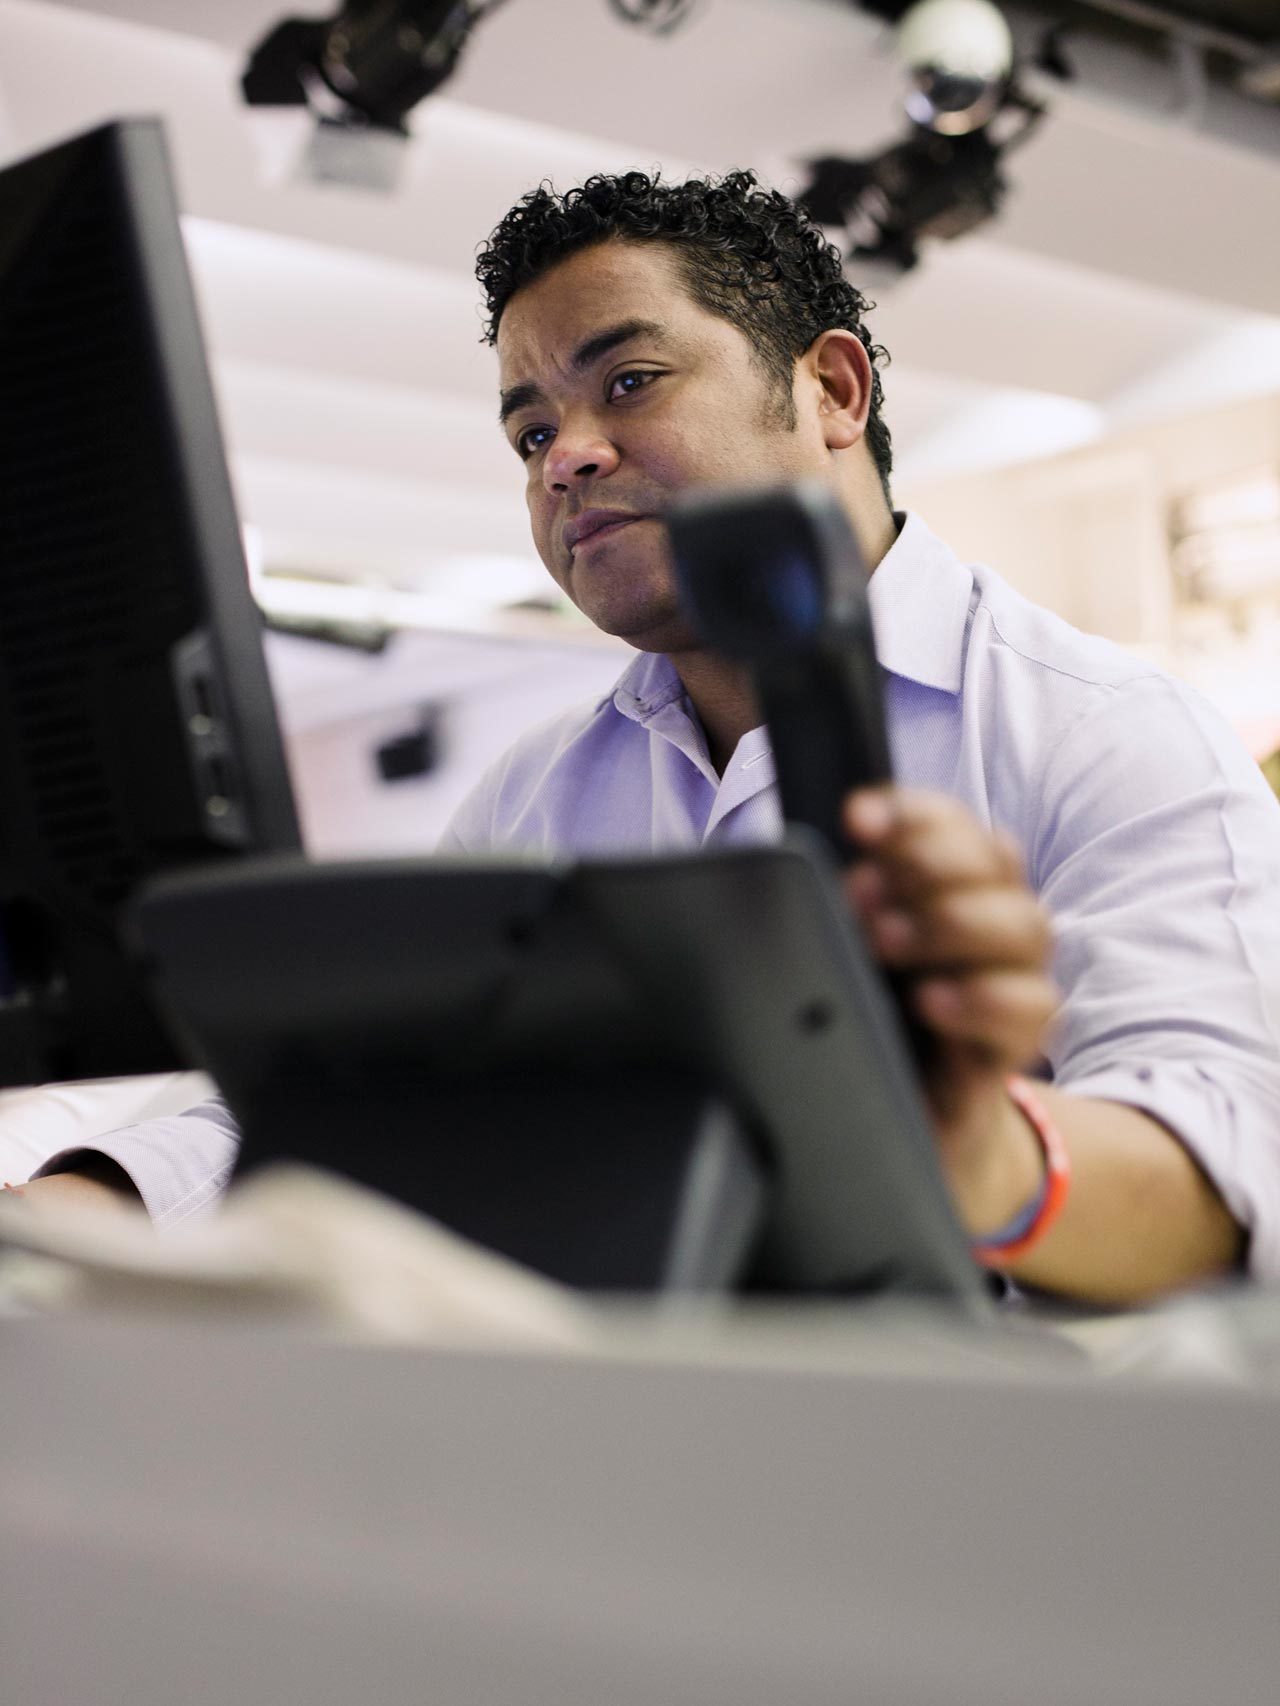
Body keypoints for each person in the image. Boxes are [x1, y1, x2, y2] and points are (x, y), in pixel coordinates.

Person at [18, 170, 1280, 1307]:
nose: (565, 456)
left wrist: (987, 1159)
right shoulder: (531, 795)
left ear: (830, 389)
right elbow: (337, 1091)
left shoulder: (1102, 730)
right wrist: (73, 1210)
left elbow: (1224, 1171)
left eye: (628, 381)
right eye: (527, 433)